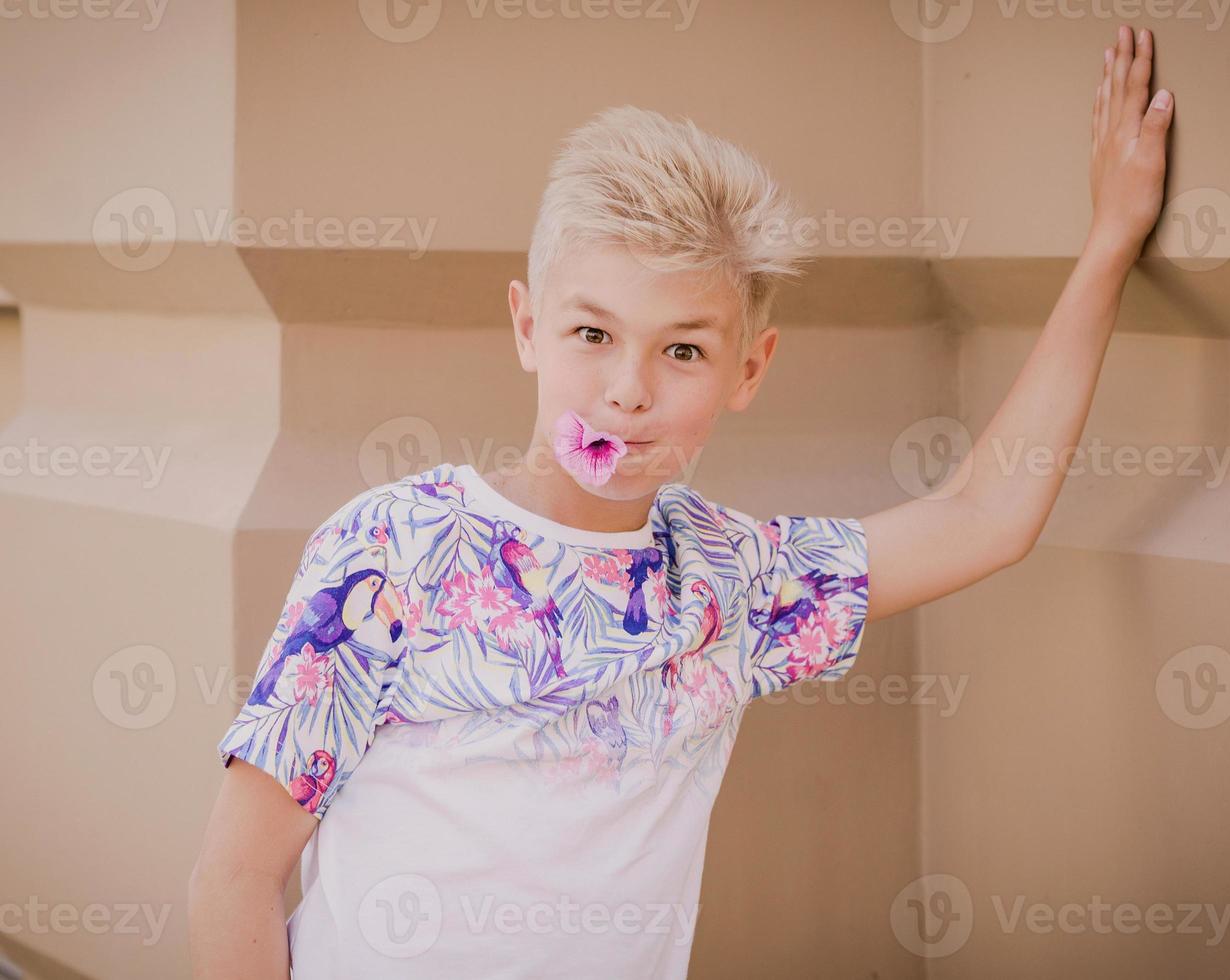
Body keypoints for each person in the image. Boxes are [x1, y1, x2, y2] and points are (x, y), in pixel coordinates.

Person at [188, 27, 1172, 977]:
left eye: (684, 349)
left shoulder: (732, 581)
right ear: (528, 327)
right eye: (591, 332)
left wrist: (1108, 242)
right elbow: (236, 873)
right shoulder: (393, 548)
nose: (627, 389)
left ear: (749, 369)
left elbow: (985, 515)